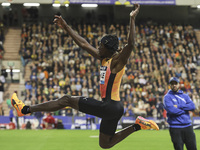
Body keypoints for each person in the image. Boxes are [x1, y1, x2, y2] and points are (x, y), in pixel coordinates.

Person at [11, 4, 159, 149]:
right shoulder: (104, 58)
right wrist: (66, 27)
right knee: (105, 143)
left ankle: (25, 109)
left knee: (66, 100)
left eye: (101, 45)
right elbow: (84, 44)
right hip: (114, 108)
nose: (98, 47)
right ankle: (137, 126)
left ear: (108, 49)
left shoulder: (117, 61)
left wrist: (132, 19)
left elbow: (131, 44)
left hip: (109, 106)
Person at [163, 77, 197, 150]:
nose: (174, 85)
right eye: (172, 84)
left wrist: (178, 106)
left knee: (193, 148)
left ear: (179, 84)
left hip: (188, 127)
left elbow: (192, 107)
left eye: (176, 83)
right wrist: (185, 110)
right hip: (175, 128)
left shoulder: (185, 96)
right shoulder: (167, 97)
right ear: (170, 85)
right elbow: (172, 110)